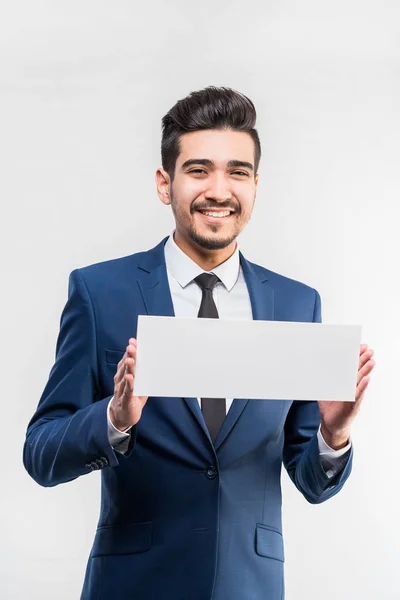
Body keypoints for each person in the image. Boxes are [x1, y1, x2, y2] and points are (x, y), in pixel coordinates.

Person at [23, 86, 375, 600]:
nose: (219, 189)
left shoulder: (298, 306)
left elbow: (313, 482)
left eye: (237, 172)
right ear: (165, 184)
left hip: (249, 588)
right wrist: (114, 420)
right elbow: (41, 454)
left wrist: (334, 436)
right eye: (198, 170)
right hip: (133, 586)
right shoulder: (101, 293)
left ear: (256, 186)